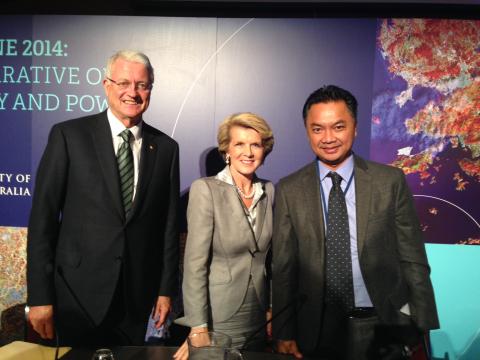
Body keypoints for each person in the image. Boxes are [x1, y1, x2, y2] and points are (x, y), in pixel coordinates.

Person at [272, 85, 439, 359]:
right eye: (317, 129)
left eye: (338, 127)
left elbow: (413, 258)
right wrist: (283, 331)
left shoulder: (389, 181)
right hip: (317, 329)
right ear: (307, 131)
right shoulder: (290, 189)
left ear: (355, 127)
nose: (328, 138)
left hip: (383, 324)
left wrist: (423, 323)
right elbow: (284, 269)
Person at [26, 50, 179, 346]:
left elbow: (168, 227)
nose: (132, 93)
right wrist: (40, 297)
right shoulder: (68, 136)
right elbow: (43, 221)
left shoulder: (167, 148)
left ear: (150, 90)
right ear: (106, 84)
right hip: (75, 297)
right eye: (123, 83)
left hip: (136, 301)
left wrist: (165, 290)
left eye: (142, 85)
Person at [173, 113, 275, 359]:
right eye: (239, 144)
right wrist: (198, 327)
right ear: (226, 150)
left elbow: (272, 260)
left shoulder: (269, 190)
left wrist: (272, 306)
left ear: (264, 150)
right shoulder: (205, 189)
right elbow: (194, 264)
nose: (248, 152)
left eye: (255, 144)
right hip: (218, 314)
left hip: (259, 313)